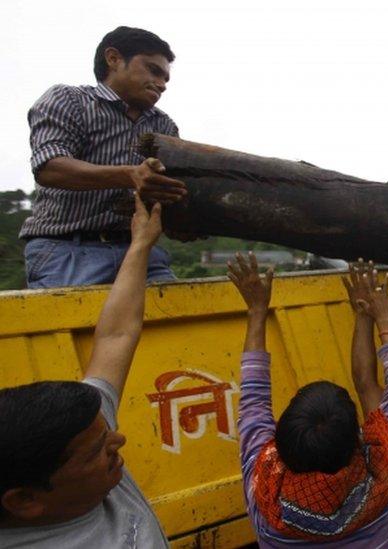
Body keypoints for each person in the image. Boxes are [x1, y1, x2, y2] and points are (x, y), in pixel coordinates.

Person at [0, 196, 169, 547]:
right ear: (24, 500)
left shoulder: (82, 439)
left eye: (106, 431)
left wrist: (140, 243)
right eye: (96, 451)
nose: (118, 440)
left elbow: (116, 335)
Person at [232, 256, 388, 546]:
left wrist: (256, 311)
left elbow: (253, 404)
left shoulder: (266, 501)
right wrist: (381, 320)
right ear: (359, 442)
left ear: (282, 445)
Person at [21, 26, 188, 289]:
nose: (162, 84)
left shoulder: (164, 126)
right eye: (153, 70)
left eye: (166, 78)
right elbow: (50, 168)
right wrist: (130, 175)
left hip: (139, 248)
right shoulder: (69, 100)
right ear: (114, 59)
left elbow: (165, 191)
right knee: (77, 327)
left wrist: (182, 220)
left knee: (176, 323)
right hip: (68, 251)